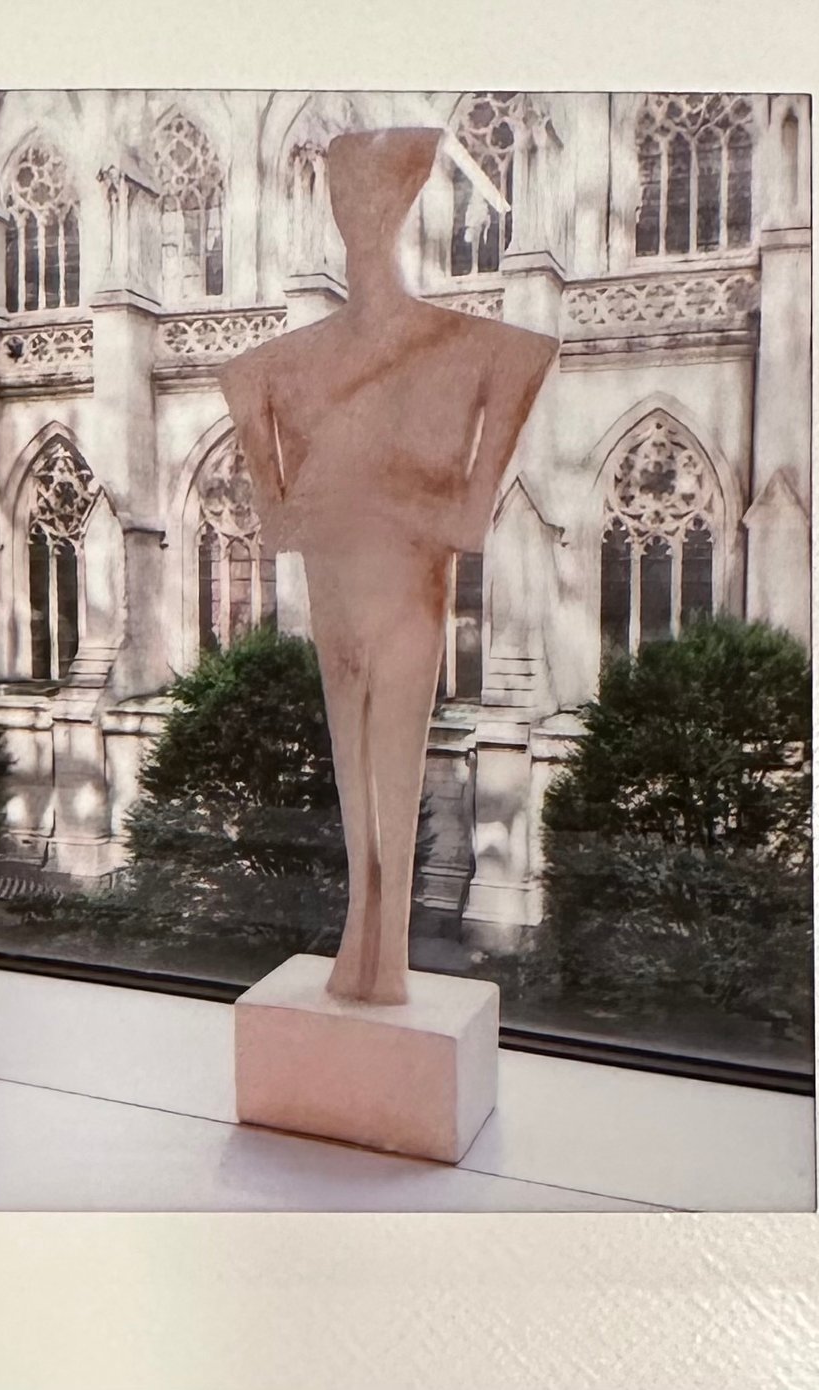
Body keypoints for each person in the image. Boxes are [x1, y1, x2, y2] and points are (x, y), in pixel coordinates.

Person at [218, 127, 557, 1005]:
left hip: (409, 591)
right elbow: (279, 517)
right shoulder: (274, 368)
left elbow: (477, 499)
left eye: (377, 194)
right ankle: (366, 937)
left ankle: (384, 945)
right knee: (354, 766)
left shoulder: (477, 347)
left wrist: (438, 504)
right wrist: (353, 504)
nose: (360, 215)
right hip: (340, 595)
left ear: (405, 205)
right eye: (345, 195)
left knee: (395, 760)